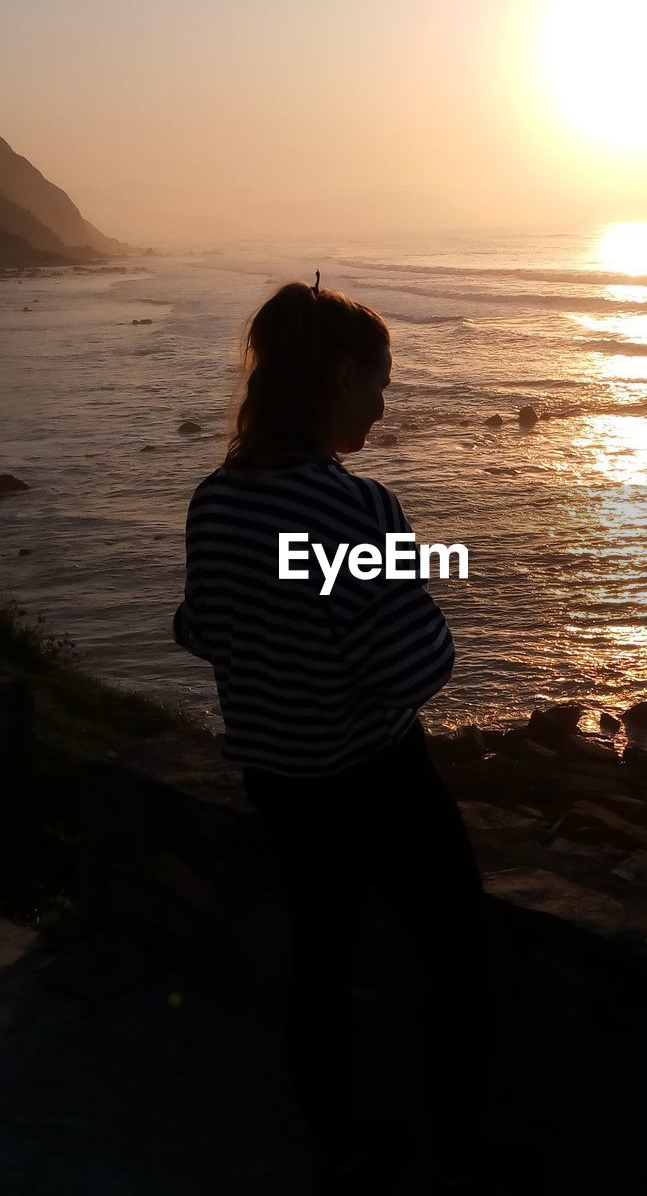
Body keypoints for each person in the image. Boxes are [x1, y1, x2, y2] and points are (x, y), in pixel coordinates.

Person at [173, 277, 509, 1195]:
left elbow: (199, 630)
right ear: (337, 378)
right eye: (379, 381)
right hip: (375, 778)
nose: (385, 404)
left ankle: (343, 1142)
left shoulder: (216, 500)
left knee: (320, 962)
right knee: (461, 961)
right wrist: (429, 605)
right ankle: (464, 1147)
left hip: (278, 778)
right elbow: (410, 668)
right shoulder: (353, 510)